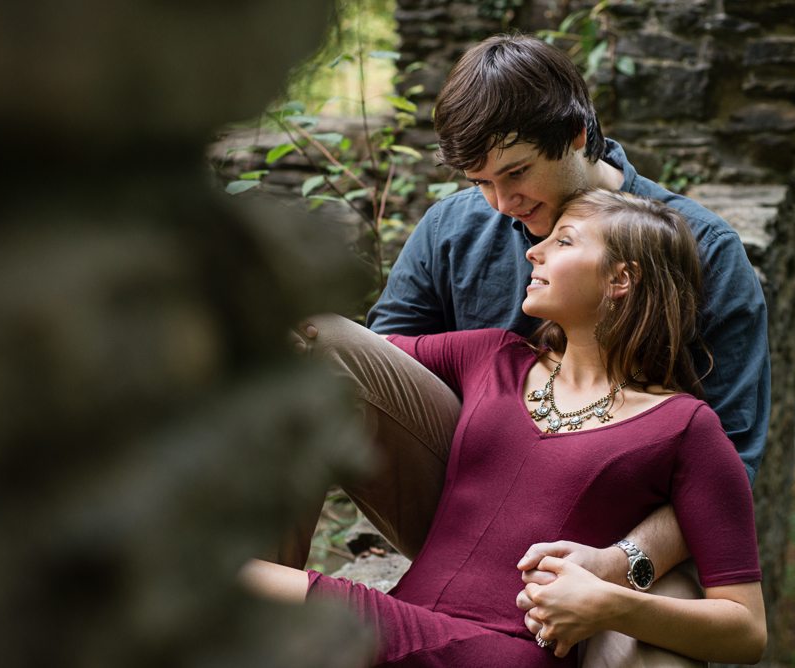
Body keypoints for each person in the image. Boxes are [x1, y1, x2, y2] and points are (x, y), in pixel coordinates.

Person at [288, 32, 769, 662]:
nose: (501, 203)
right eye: (479, 181)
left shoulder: (702, 252)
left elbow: (729, 459)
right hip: (468, 489)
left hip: (617, 537)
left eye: (515, 173)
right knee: (313, 350)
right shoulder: (455, 226)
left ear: (575, 135)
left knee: (656, 651)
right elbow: (382, 375)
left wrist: (616, 565)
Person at [251, 190, 766, 667]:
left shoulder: (685, 427)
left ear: (620, 279)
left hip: (504, 651)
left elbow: (746, 630)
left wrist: (612, 605)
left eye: (562, 240)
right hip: (402, 625)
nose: (533, 252)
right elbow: (345, 355)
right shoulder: (493, 355)